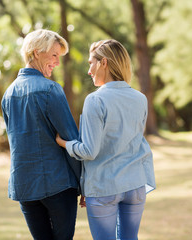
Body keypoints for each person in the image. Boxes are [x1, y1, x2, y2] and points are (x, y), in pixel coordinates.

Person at [56, 39, 156, 240]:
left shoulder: (95, 100)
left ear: (104, 63)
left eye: (91, 63)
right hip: (135, 185)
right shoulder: (140, 98)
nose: (89, 70)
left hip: (104, 188)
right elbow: (135, 141)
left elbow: (89, 151)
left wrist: (64, 143)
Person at [1, 29, 81, 240]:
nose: (57, 62)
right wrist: (85, 183)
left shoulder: (8, 94)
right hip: (58, 185)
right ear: (36, 53)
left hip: (24, 188)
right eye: (54, 55)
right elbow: (70, 138)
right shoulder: (50, 90)